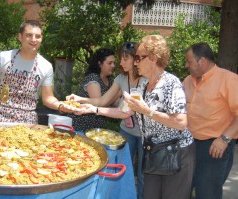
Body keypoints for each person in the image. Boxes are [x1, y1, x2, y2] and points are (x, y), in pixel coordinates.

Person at [67, 42, 148, 199]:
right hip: (127, 131)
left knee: (143, 173)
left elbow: (120, 110)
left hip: (145, 133)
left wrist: (92, 107)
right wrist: (81, 99)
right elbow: (102, 101)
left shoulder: (146, 80)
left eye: (125, 59)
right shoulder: (120, 78)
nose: (121, 63)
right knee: (120, 169)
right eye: (120, 59)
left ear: (136, 60)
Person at [124, 35, 195, 199]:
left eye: (138, 58)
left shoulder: (172, 83)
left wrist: (148, 111)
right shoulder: (143, 83)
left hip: (176, 153)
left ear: (153, 58)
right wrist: (93, 108)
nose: (135, 62)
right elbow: (126, 112)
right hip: (153, 153)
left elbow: (181, 122)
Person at [0, 20, 72, 123]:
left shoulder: (46, 66)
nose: (34, 40)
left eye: (38, 36)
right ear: (20, 37)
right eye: (29, 35)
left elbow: (48, 98)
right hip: (0, 115)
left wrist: (61, 106)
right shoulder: (4, 57)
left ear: (41, 38)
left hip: (28, 120)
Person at [183, 42, 238, 199]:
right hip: (189, 144)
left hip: (214, 146)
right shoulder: (188, 80)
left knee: (207, 193)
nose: (187, 65)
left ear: (202, 61)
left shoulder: (229, 80)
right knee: (183, 190)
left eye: (189, 61)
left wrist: (224, 139)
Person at [69, 48, 116, 131]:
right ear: (100, 63)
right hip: (82, 124)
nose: (113, 66)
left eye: (113, 63)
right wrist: (118, 93)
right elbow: (100, 104)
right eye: (109, 63)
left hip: (97, 125)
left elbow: (114, 102)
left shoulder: (109, 80)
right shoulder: (93, 79)